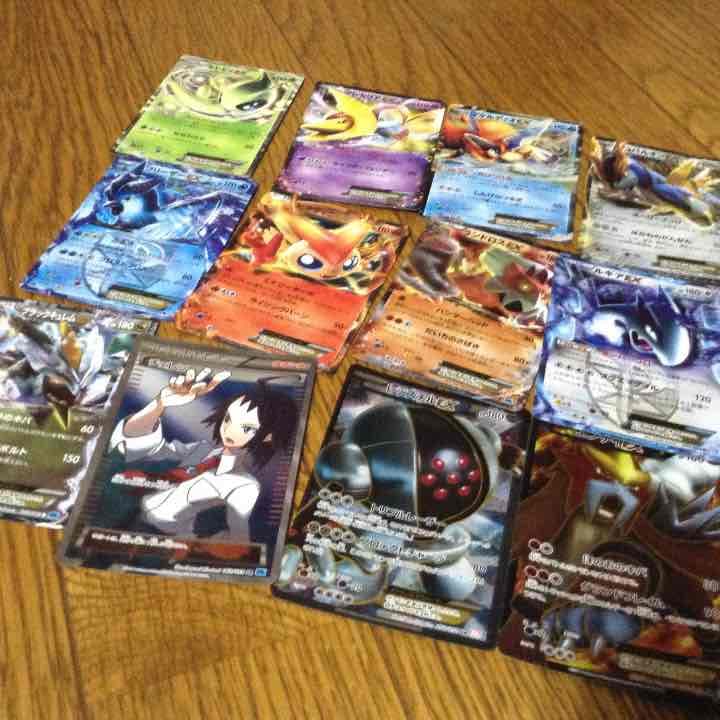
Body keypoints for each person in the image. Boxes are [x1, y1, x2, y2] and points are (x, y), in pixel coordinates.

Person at [109, 367, 298, 540]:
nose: (230, 429)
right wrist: (160, 404)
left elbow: (238, 538)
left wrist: (197, 545)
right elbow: (140, 447)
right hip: (131, 518)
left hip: (165, 536)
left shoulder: (245, 485)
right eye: (229, 419)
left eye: (246, 428)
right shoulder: (203, 450)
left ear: (268, 436)